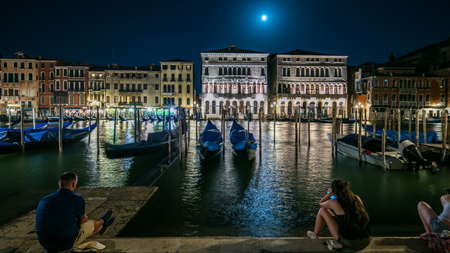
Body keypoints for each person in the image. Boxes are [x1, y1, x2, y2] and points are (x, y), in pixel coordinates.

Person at [35, 172, 114, 253]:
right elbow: (82, 221)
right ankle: (103, 222)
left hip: (45, 243)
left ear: (59, 183)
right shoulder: (77, 199)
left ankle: (103, 223)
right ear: (73, 184)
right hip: (64, 245)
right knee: (91, 224)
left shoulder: (44, 199)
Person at [306, 179, 371, 250]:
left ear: (334, 190)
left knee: (322, 210)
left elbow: (321, 203)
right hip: (366, 241)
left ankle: (315, 234)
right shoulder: (356, 198)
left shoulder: (333, 202)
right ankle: (337, 243)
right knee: (343, 219)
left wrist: (328, 194)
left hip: (351, 243)